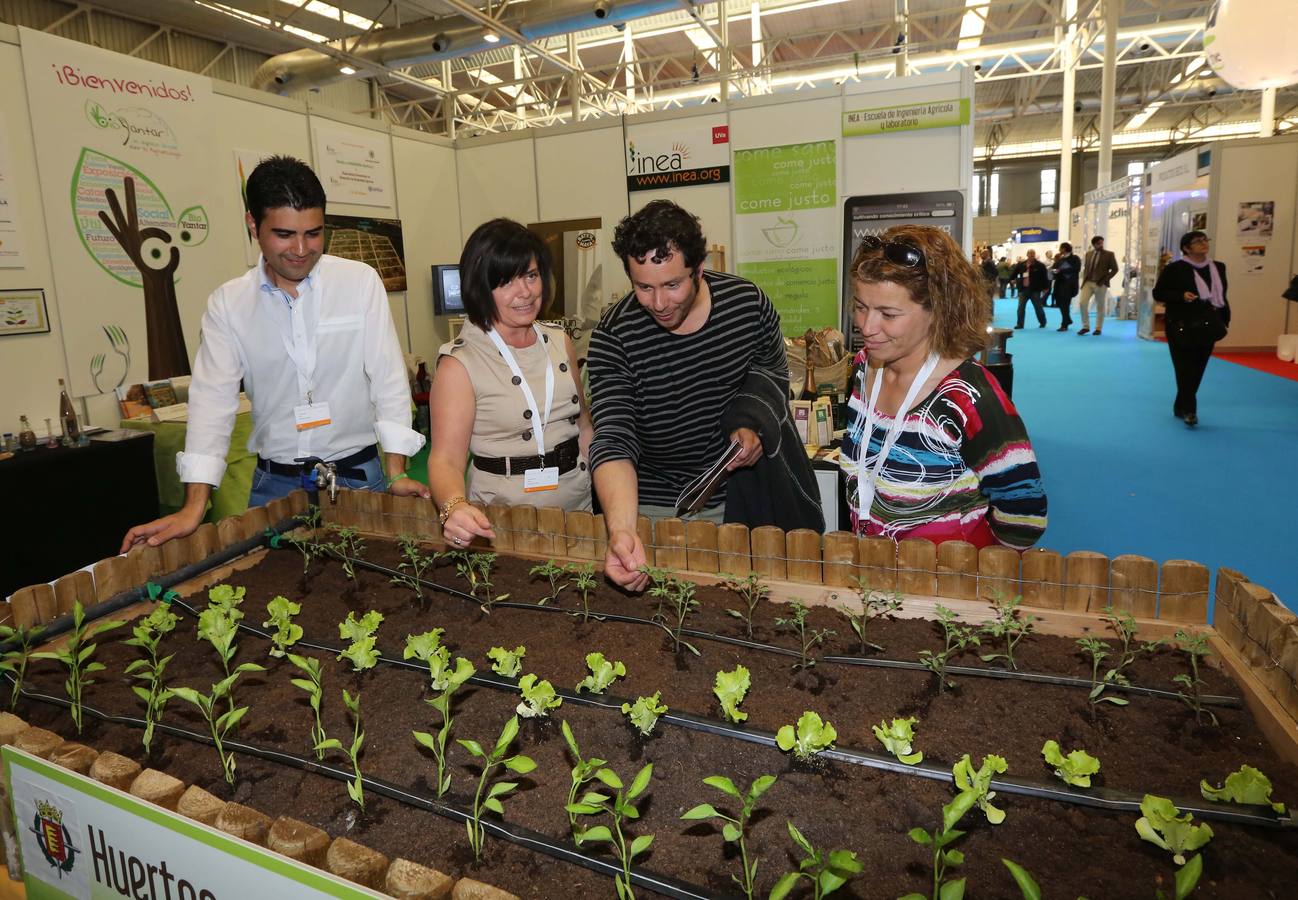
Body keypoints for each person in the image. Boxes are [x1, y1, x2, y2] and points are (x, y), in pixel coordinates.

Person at [120, 156, 428, 553]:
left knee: (370, 593)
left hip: (357, 476)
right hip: (275, 485)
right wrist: (194, 506)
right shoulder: (228, 305)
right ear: (253, 225)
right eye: (284, 234)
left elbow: (388, 379)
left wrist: (396, 471)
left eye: (313, 234)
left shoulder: (358, 283)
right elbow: (212, 403)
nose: (301, 249)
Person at [587, 200, 813, 591]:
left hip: (739, 502)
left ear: (699, 269)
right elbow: (614, 437)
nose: (658, 304)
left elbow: (772, 373)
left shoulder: (747, 305)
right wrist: (622, 530)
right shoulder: (614, 335)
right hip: (651, 509)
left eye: (672, 285)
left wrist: (752, 422)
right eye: (644, 287)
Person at [839, 225, 1047, 550]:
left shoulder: (968, 398)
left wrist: (973, 574)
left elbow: (1025, 515)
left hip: (945, 589)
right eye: (861, 307)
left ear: (937, 310)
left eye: (888, 314)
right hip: (876, 577)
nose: (867, 327)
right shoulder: (864, 370)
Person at [428, 219, 593, 548]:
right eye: (507, 282)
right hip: (502, 521)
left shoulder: (560, 342)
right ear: (480, 287)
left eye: (531, 275)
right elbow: (446, 459)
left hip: (578, 510)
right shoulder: (459, 364)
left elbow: (585, 428)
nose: (526, 292)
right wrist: (453, 507)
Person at [1152, 230, 1230, 427]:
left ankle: (1181, 404)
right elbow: (1159, 292)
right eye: (1198, 241)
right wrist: (1181, 296)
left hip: (1208, 324)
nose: (1204, 243)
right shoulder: (1175, 268)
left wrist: (1225, 319)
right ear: (1186, 248)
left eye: (1205, 239)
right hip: (1181, 324)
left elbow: (1222, 295)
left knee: (1198, 368)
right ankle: (1190, 410)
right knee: (1184, 367)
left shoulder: (1219, 267)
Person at [1076, 235, 1119, 335]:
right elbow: (1087, 268)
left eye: (1102, 243)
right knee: (1082, 303)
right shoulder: (1088, 254)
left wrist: (1105, 279)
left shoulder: (1109, 254)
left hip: (1100, 283)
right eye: (1099, 243)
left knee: (1100, 306)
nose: (1101, 245)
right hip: (1088, 282)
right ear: (1094, 244)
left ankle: (1098, 328)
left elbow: (1115, 269)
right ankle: (1085, 326)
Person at [1050, 242, 1081, 331]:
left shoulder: (1075, 258)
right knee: (1059, 303)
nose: (1059, 250)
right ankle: (1068, 319)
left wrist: (1061, 270)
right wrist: (1054, 271)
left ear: (1064, 248)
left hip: (1069, 285)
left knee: (1065, 304)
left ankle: (1064, 324)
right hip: (1059, 284)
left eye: (1061, 248)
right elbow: (1054, 268)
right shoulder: (1060, 259)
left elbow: (1076, 269)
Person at [1015, 249, 1049, 329]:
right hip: (1023, 290)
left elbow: (1044, 277)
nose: (1031, 257)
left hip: (1035, 290)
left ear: (1034, 255)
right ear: (1027, 255)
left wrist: (1046, 287)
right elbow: (1014, 273)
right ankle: (1020, 324)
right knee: (1020, 308)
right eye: (1030, 255)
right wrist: (1012, 279)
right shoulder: (1021, 264)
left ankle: (1043, 322)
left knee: (1038, 307)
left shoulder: (1040, 265)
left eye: (1033, 255)